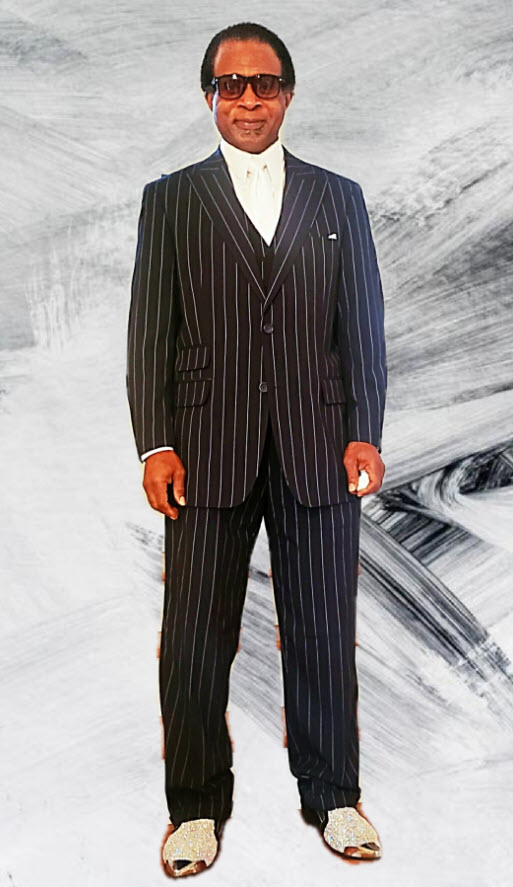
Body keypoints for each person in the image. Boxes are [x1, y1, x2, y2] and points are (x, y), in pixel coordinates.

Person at [126, 20, 387, 877]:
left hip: (320, 444)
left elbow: (362, 324)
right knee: (194, 639)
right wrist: (155, 443)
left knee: (323, 629)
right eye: (230, 84)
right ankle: (195, 808)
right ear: (209, 95)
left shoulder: (336, 197)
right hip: (205, 448)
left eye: (264, 83)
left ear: (287, 93)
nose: (247, 99)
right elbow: (150, 331)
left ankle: (334, 794)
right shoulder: (171, 199)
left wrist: (365, 429)